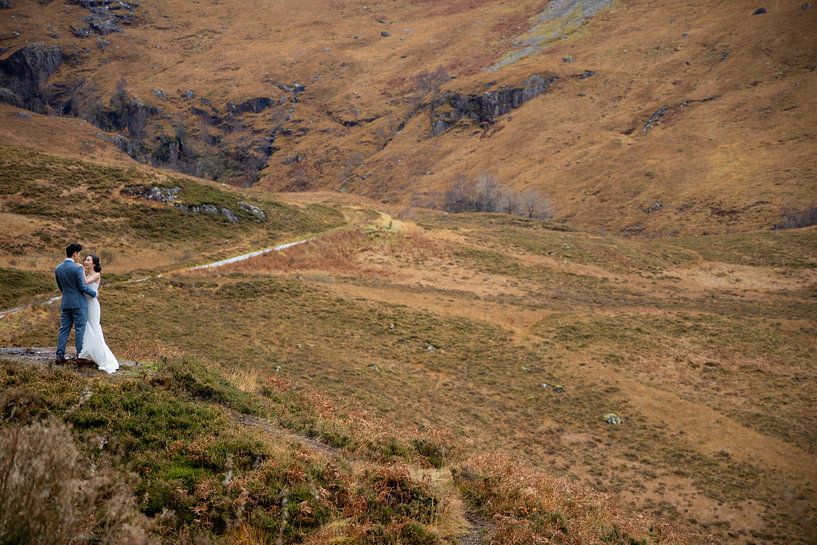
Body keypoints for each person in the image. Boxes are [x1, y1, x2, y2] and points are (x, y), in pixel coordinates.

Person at [55, 243, 97, 364]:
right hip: (78, 304)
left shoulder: (58, 268)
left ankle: (59, 356)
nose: (79, 257)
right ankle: (80, 356)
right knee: (80, 330)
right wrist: (94, 294)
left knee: (64, 329)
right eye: (78, 254)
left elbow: (61, 287)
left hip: (66, 303)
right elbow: (83, 287)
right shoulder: (77, 268)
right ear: (74, 254)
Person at [78, 254, 119, 374]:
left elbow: (84, 283)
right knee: (88, 328)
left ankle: (101, 356)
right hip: (86, 305)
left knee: (94, 328)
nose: (85, 262)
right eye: (85, 260)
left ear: (94, 264)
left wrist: (79, 269)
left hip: (93, 306)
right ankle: (90, 352)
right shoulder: (87, 274)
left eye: (88, 260)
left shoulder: (96, 275)